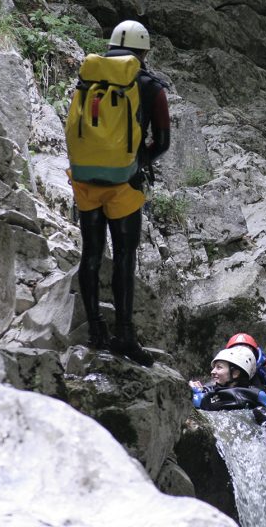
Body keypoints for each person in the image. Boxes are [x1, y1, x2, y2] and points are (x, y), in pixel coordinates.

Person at [69, 20, 170, 367]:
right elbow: (163, 141)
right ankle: (124, 336)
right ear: (143, 51)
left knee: (91, 253)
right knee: (125, 256)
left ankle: (96, 331)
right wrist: (138, 161)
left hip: (85, 179)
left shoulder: (90, 76)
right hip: (123, 183)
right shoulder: (150, 85)